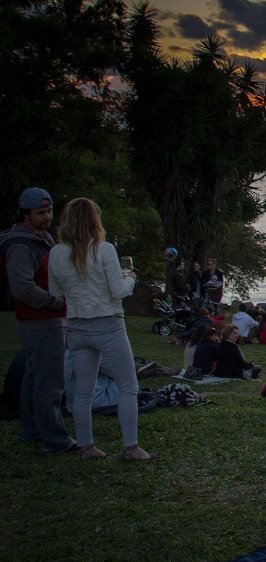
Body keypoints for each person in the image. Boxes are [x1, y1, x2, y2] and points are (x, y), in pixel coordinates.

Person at [47, 197, 153, 460]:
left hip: (77, 327)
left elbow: (55, 292)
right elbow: (117, 291)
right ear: (95, 221)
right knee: (128, 386)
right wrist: (131, 279)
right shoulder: (104, 249)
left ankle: (86, 446)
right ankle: (130, 446)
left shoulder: (57, 253)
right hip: (108, 325)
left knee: (83, 391)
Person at [0, 187, 75, 454]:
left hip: (45, 319)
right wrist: (56, 302)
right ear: (25, 214)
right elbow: (22, 288)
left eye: (49, 211)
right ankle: (55, 439)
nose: (47, 217)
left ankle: (32, 430)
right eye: (40, 213)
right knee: (50, 382)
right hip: (41, 320)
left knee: (33, 378)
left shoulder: (40, 238)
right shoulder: (20, 244)